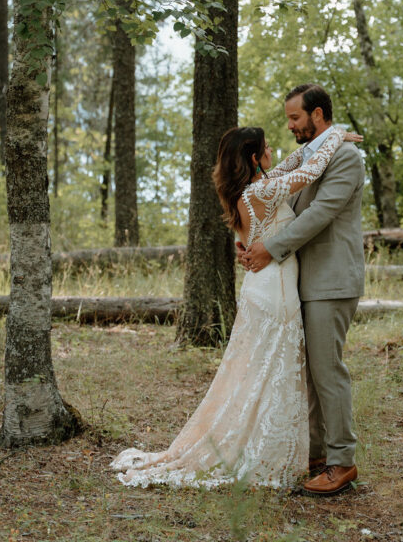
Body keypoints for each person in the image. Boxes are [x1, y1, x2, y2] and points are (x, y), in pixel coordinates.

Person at [111, 118, 360, 489]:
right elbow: (310, 168)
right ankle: (271, 448)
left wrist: (317, 141)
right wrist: (336, 134)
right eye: (268, 149)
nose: (276, 153)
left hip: (263, 286)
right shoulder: (265, 191)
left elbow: (293, 164)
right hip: (275, 289)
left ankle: (294, 448)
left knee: (264, 370)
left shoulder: (251, 189)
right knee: (273, 372)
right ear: (256, 157)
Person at [240, 84, 365, 496]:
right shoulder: (314, 155)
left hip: (331, 281)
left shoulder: (345, 156)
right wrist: (249, 235)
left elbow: (319, 214)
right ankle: (316, 455)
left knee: (328, 372)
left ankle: (342, 461)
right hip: (302, 282)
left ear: (318, 114)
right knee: (309, 376)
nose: (290, 125)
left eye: (295, 117)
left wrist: (270, 249)